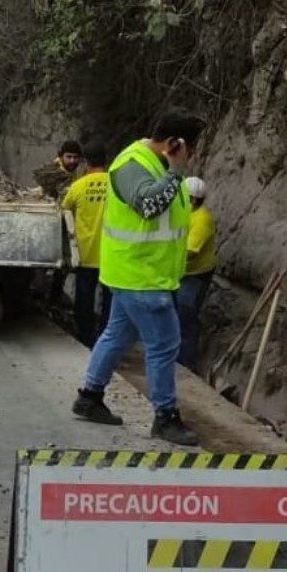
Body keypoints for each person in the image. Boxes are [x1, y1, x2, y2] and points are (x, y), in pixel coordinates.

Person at [71, 108, 204, 447]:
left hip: (141, 274)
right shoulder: (132, 165)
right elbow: (149, 206)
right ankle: (165, 417)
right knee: (163, 345)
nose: (192, 156)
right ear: (175, 144)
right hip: (141, 277)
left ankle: (90, 396)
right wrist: (176, 172)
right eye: (191, 148)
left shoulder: (151, 164)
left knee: (117, 333)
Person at [60, 141, 111, 349]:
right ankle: (107, 340)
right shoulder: (116, 184)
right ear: (106, 161)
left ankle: (86, 338)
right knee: (109, 301)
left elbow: (64, 211)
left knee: (84, 299)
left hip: (85, 253)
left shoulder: (78, 186)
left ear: (84, 162)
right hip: (112, 255)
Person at [176, 176, 216, 372]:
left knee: (186, 316)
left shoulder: (202, 220)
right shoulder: (183, 213)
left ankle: (186, 363)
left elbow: (191, 251)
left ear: (191, 199)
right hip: (179, 273)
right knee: (174, 314)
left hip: (194, 275)